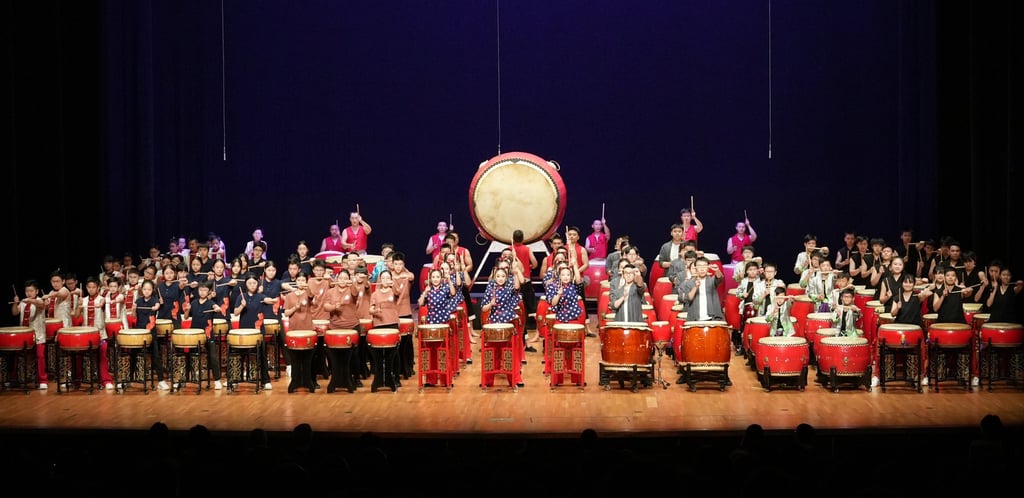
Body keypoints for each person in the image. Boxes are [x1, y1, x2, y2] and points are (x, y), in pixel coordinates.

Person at [480, 265, 525, 385]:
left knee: (511, 352)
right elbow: (484, 309)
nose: (500, 278)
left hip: (508, 321)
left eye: (503, 276)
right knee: (492, 352)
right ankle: (488, 380)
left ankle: (515, 379)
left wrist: (516, 273)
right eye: (498, 276)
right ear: (494, 277)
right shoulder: (490, 290)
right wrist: (490, 304)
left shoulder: (509, 287)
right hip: (494, 322)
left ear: (506, 278)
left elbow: (517, 287)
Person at [72, 276, 115, 389]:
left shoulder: (102, 299)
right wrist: (79, 305)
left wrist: (100, 303)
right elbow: (76, 315)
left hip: (100, 335)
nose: (91, 289)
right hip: (86, 336)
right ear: (86, 288)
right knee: (78, 355)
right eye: (89, 287)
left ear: (98, 288)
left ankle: (105, 380)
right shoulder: (83, 300)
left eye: (93, 287)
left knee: (103, 356)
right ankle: (78, 380)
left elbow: (101, 304)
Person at [181, 281, 225, 389]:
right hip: (195, 333)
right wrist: (187, 310)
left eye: (205, 290)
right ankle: (186, 378)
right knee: (190, 355)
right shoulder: (194, 303)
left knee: (212, 357)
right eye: (200, 290)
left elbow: (217, 308)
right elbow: (186, 317)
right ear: (198, 291)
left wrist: (218, 308)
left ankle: (217, 380)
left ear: (209, 292)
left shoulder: (210, 303)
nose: (202, 292)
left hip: (208, 333)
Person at [233, 273, 273, 389]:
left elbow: (267, 300)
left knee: (262, 355)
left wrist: (272, 300)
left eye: (254, 283)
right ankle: (235, 379)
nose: (252, 285)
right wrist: (242, 306)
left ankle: (265, 381)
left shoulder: (260, 296)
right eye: (249, 283)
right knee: (240, 355)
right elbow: (235, 312)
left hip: (258, 330)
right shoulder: (241, 297)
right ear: (246, 284)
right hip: (244, 331)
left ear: (258, 284)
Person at [11, 279, 49, 389]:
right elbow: (14, 312)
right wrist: (16, 302)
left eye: (31, 291)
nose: (29, 293)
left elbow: (41, 304)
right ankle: (17, 378)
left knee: (40, 356)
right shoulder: (23, 303)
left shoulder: (39, 301)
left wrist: (30, 300)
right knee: (18, 356)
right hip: (24, 335)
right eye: (27, 291)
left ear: (36, 291)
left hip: (38, 335)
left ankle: (43, 380)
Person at [132, 279, 168, 390]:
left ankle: (161, 381)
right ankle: (128, 379)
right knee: (133, 355)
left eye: (149, 289)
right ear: (142, 290)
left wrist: (156, 307)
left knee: (156, 356)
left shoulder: (154, 300)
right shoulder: (138, 301)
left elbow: (157, 306)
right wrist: (133, 309)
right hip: (139, 331)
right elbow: (134, 316)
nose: (147, 291)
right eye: (144, 289)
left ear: (152, 290)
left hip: (151, 331)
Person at [677, 256, 724, 322]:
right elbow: (687, 299)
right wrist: (695, 287)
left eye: (704, 266)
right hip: (694, 319)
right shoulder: (689, 283)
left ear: (708, 268)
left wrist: (717, 270)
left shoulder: (712, 280)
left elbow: (720, 278)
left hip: (712, 318)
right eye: (699, 266)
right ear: (695, 268)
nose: (702, 269)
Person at [510, 229, 539, 331]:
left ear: (513, 238)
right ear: (523, 238)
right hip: (525, 279)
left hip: (513, 280)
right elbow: (535, 263)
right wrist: (529, 266)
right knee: (529, 303)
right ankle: (532, 325)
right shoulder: (527, 249)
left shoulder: (509, 249)